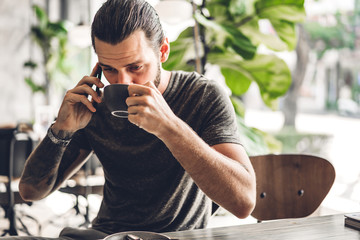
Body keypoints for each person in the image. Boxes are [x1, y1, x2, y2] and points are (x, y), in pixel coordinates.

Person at [5, 0, 256, 239]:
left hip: (174, 237)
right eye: (110, 69)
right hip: (106, 235)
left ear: (163, 52)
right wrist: (62, 129)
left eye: (136, 67)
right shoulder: (94, 104)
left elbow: (243, 202)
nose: (122, 82)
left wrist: (168, 127)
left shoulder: (202, 95)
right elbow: (30, 192)